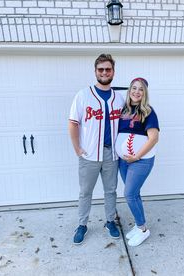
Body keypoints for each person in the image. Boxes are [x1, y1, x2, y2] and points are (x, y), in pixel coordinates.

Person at [69, 54, 124, 245]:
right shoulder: (83, 95)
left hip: (112, 154)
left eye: (108, 69)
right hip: (89, 154)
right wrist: (77, 148)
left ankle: (110, 221)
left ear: (113, 72)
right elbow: (73, 123)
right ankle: (82, 225)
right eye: (101, 69)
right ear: (95, 72)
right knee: (86, 192)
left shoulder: (119, 98)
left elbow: (127, 125)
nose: (104, 72)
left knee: (111, 191)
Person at [115, 77, 159, 247]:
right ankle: (139, 224)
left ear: (145, 93)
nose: (136, 92)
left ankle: (142, 229)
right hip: (124, 161)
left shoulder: (148, 111)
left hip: (140, 160)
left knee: (129, 194)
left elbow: (154, 138)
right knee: (135, 194)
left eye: (141, 89)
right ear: (129, 90)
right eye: (134, 88)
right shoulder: (124, 111)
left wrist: (137, 156)